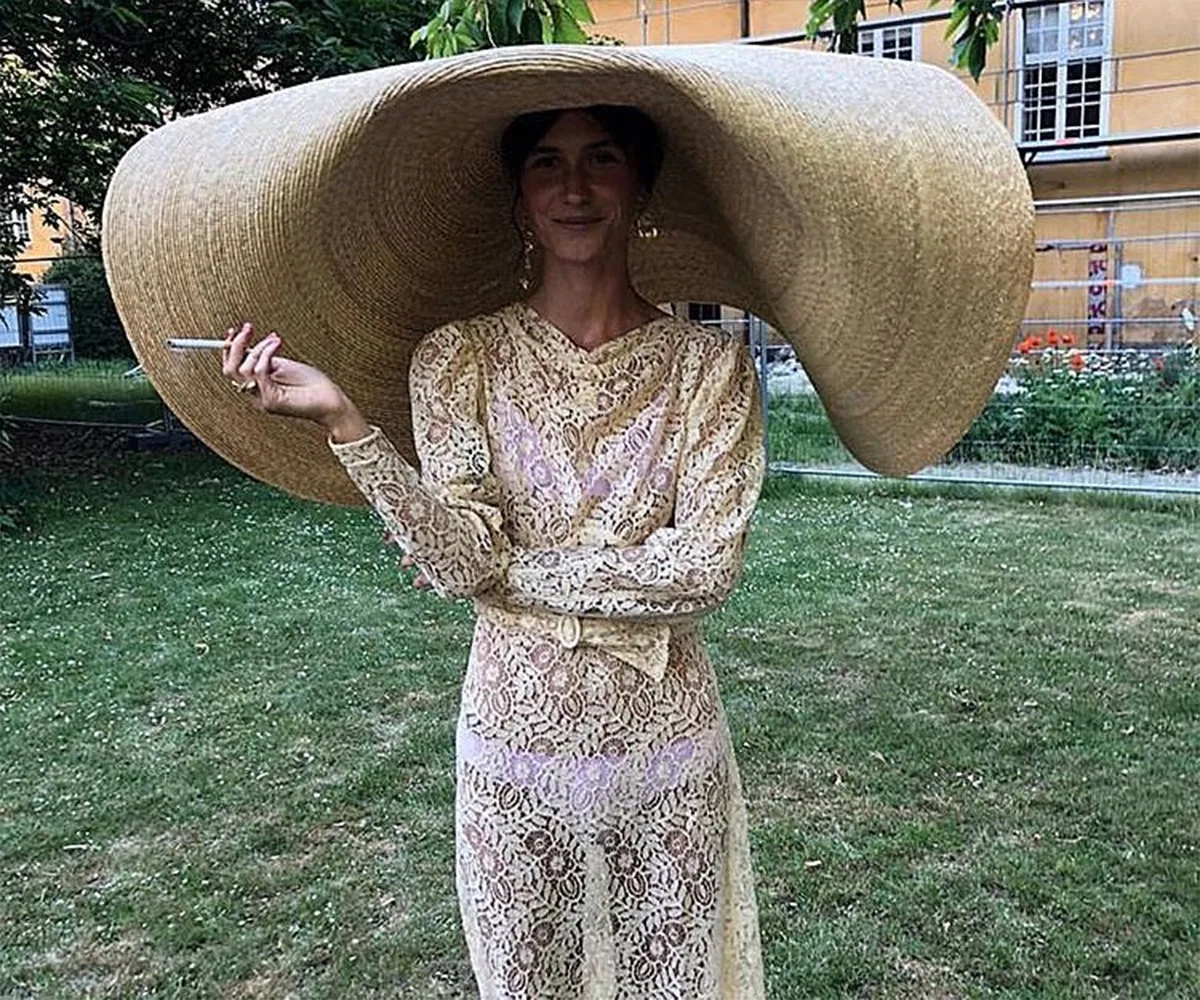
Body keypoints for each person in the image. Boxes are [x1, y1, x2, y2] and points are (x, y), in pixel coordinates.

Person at [220, 105, 767, 999]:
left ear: (639, 186)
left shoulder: (709, 366)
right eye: (548, 162)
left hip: (666, 746)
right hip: (515, 747)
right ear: (520, 195)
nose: (575, 186)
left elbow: (705, 567)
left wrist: (510, 574)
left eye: (602, 157)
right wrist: (346, 424)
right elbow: (458, 559)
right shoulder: (458, 359)